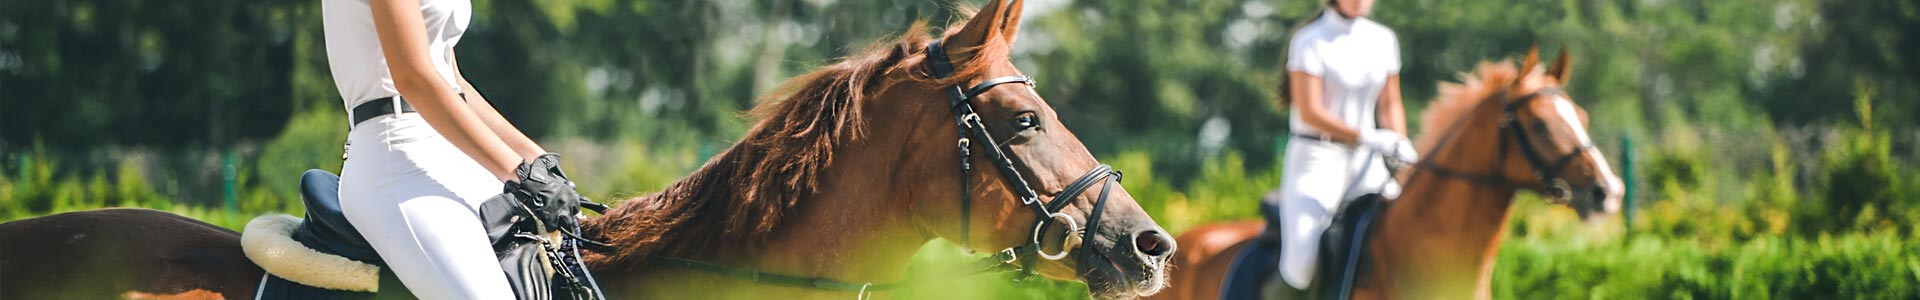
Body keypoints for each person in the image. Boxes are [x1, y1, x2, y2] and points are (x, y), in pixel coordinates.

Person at [322, 0, 586, 298]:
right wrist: (519, 172)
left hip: (457, 156)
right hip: (397, 165)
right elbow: (413, 77)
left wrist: (537, 161)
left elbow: (454, 85)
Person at [1275, 0, 1416, 291]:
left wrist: (1399, 141)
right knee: (1301, 263)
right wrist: (1366, 135)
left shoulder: (1383, 39)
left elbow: (1390, 105)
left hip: (1367, 163)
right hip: (1316, 159)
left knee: (1408, 226)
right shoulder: (1309, 40)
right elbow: (1309, 111)